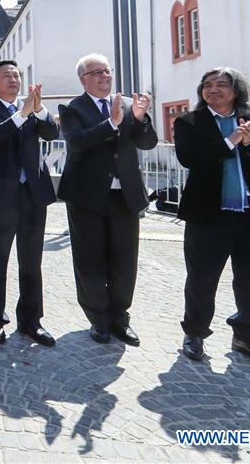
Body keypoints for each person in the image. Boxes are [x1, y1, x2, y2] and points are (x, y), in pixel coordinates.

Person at [174, 68, 250, 368]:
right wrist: (230, 142)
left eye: (221, 85)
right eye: (207, 85)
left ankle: (248, 337)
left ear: (236, 90)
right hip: (208, 215)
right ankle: (195, 334)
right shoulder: (188, 122)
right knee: (201, 278)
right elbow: (189, 158)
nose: (213, 90)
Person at [57, 53, 157, 346]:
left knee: (125, 259)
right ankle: (98, 319)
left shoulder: (128, 105)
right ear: (83, 80)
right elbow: (77, 142)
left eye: (107, 71)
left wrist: (139, 119)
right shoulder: (72, 108)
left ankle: (120, 317)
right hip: (86, 196)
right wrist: (111, 124)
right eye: (96, 73)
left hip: (124, 194)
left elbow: (147, 142)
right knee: (90, 260)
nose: (104, 76)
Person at [0, 61, 60, 346]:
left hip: (33, 194)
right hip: (0, 197)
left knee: (31, 261)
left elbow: (51, 133)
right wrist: (22, 114)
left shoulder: (32, 109)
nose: (13, 79)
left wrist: (40, 110)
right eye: (7, 75)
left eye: (17, 75)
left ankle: (31, 321)